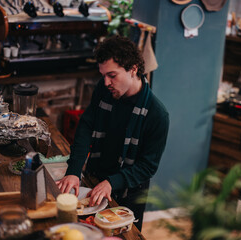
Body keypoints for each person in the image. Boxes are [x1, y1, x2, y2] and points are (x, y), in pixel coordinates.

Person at [56, 35, 169, 231]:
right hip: (94, 178)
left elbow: (147, 167)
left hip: (129, 194)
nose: (106, 82)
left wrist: (112, 182)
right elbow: (86, 126)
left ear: (133, 69)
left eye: (112, 75)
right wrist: (74, 171)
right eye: (103, 75)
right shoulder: (104, 89)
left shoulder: (157, 115)